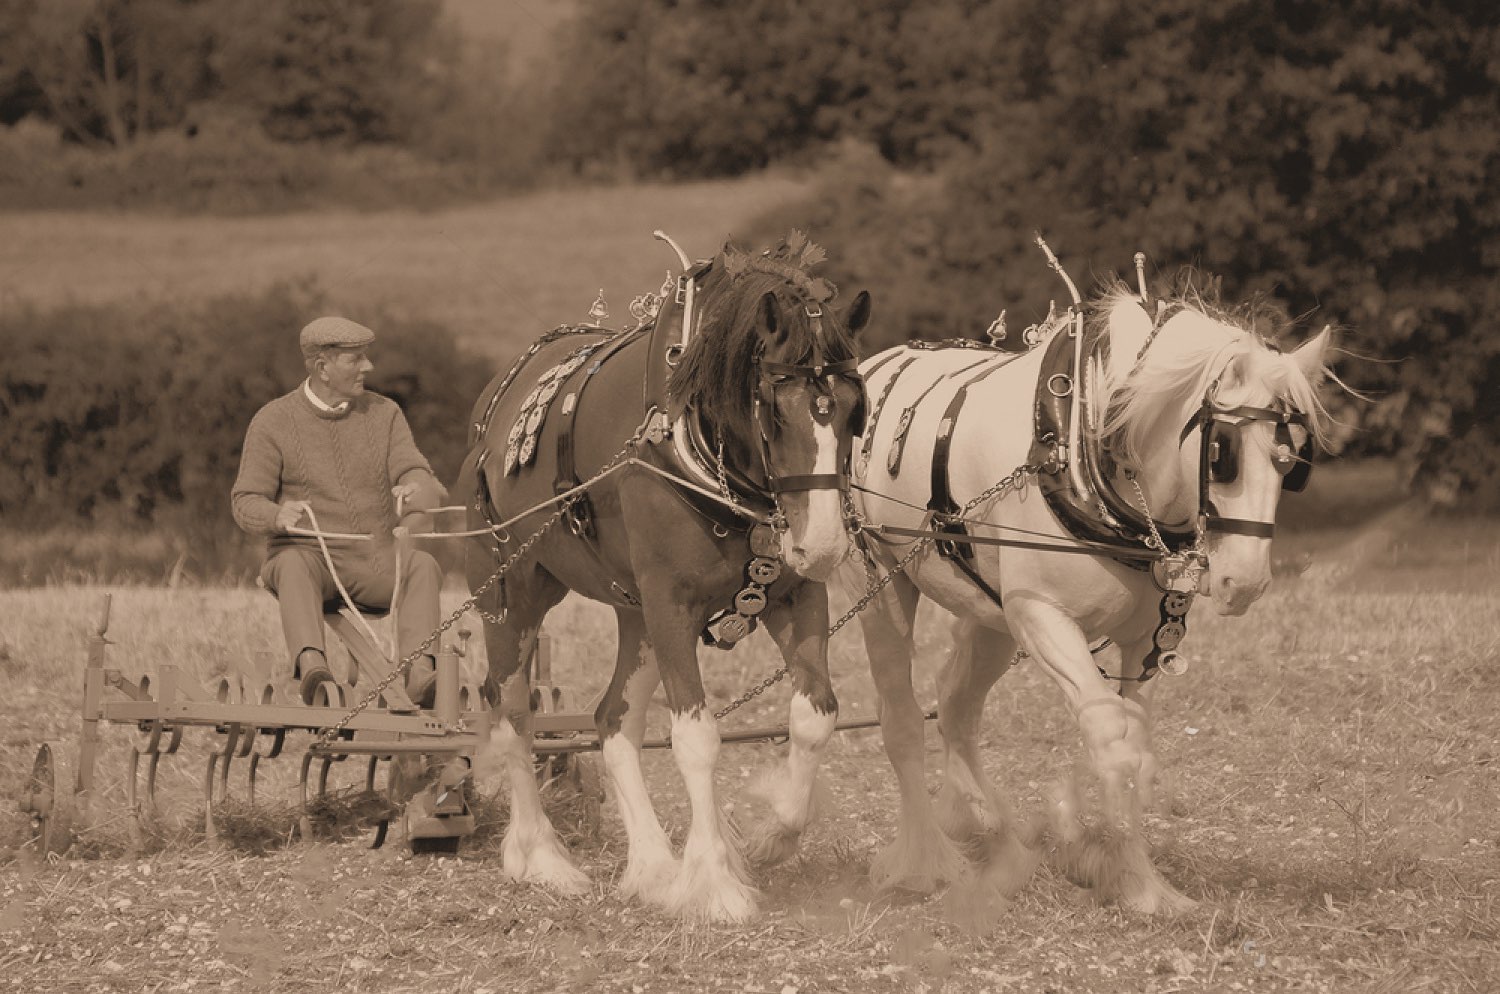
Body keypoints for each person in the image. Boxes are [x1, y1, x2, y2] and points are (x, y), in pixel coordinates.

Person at [231, 316, 447, 705]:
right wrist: (276, 515)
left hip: (376, 565)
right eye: (356, 359)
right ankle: (313, 668)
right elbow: (245, 501)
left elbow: (411, 465)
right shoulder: (272, 421)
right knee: (294, 563)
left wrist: (418, 483)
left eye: (367, 357)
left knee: (422, 566)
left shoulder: (386, 413)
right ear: (322, 368)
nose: (369, 367)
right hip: (311, 563)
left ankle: (420, 674)